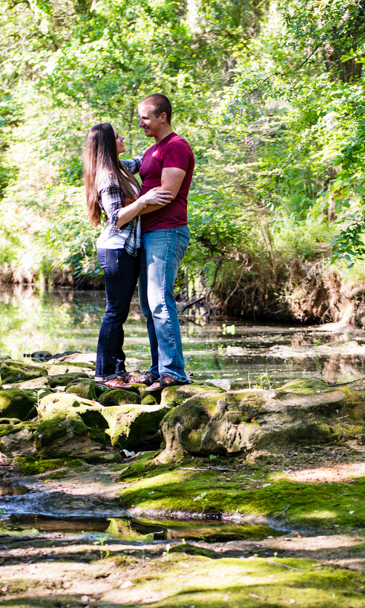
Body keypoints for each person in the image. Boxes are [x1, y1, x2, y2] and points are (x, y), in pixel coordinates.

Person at [83, 123, 173, 389]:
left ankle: (118, 370)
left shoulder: (120, 169)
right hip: (116, 249)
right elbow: (117, 217)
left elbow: (143, 159)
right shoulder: (107, 177)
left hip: (126, 249)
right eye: (117, 136)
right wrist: (144, 201)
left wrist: (164, 142)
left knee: (119, 311)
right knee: (115, 311)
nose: (123, 138)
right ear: (108, 145)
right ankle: (105, 374)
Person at [130, 93, 195, 391]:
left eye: (145, 117)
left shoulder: (177, 147)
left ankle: (174, 371)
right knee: (147, 305)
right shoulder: (151, 151)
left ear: (162, 117)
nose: (141, 123)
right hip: (147, 231)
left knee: (160, 300)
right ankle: (158, 369)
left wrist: (133, 211)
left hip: (167, 231)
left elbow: (167, 193)